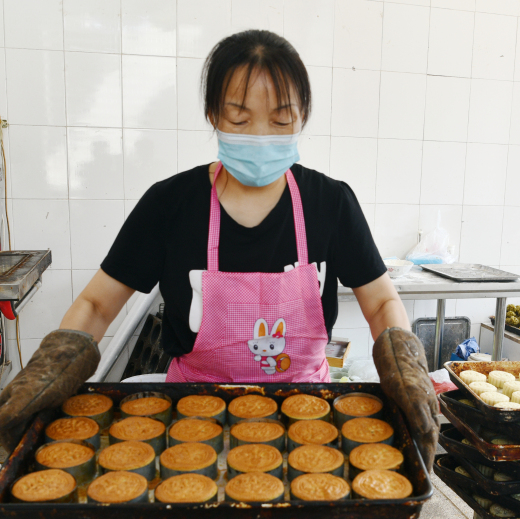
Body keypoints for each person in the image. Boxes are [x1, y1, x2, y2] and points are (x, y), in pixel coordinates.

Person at [0, 30, 439, 469]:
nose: (261, 136)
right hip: (192, 417)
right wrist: (52, 370)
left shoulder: (330, 202)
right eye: (240, 119)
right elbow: (96, 304)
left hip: (308, 417)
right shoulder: (170, 204)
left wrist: (406, 370)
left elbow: (381, 302)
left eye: (281, 120)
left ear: (302, 117)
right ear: (214, 114)